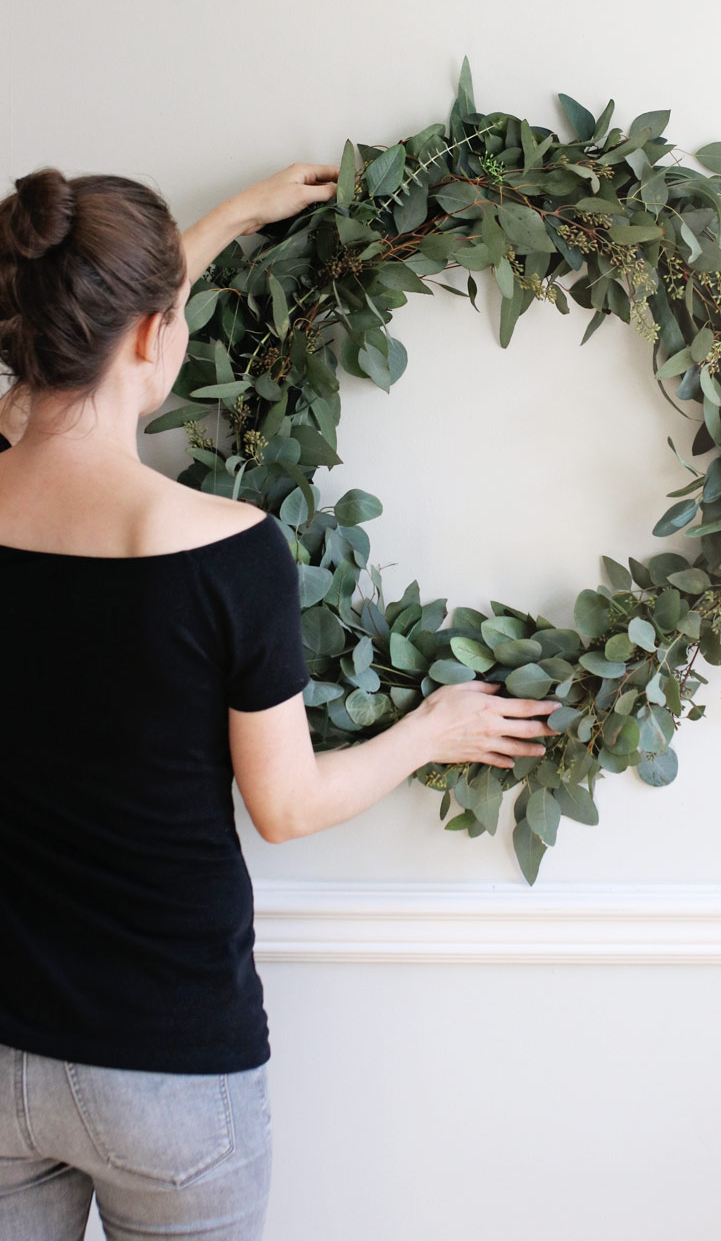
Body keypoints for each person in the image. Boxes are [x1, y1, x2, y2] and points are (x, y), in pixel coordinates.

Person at [0, 163, 560, 1241]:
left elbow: (75, 368)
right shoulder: (227, 554)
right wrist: (430, 730)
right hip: (166, 1069)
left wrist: (209, 233)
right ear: (158, 333)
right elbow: (287, 805)